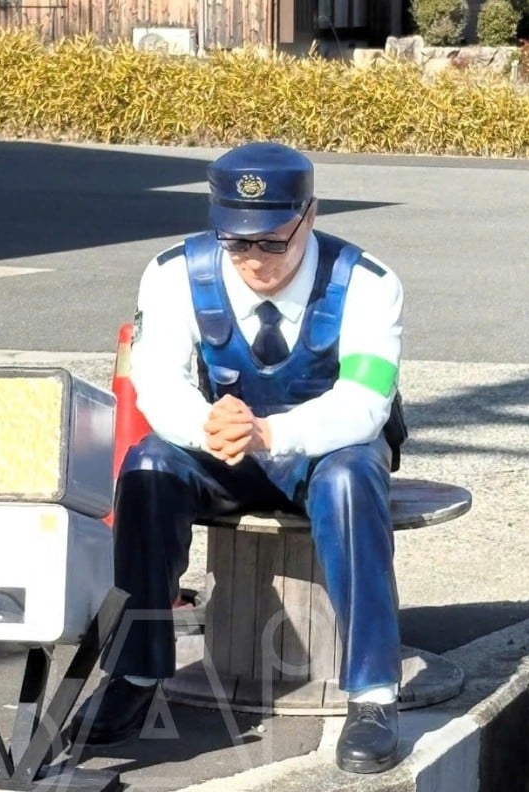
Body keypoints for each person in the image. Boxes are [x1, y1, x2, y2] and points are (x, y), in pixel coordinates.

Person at [77, 141, 408, 774]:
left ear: (308, 216)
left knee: (351, 482)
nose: (254, 258)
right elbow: (156, 380)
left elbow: (365, 402)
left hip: (322, 454)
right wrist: (206, 424)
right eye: (238, 242)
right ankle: (136, 671)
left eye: (273, 241)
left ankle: (371, 694)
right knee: (147, 469)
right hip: (222, 446)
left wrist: (271, 434)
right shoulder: (174, 273)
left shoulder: (368, 284)